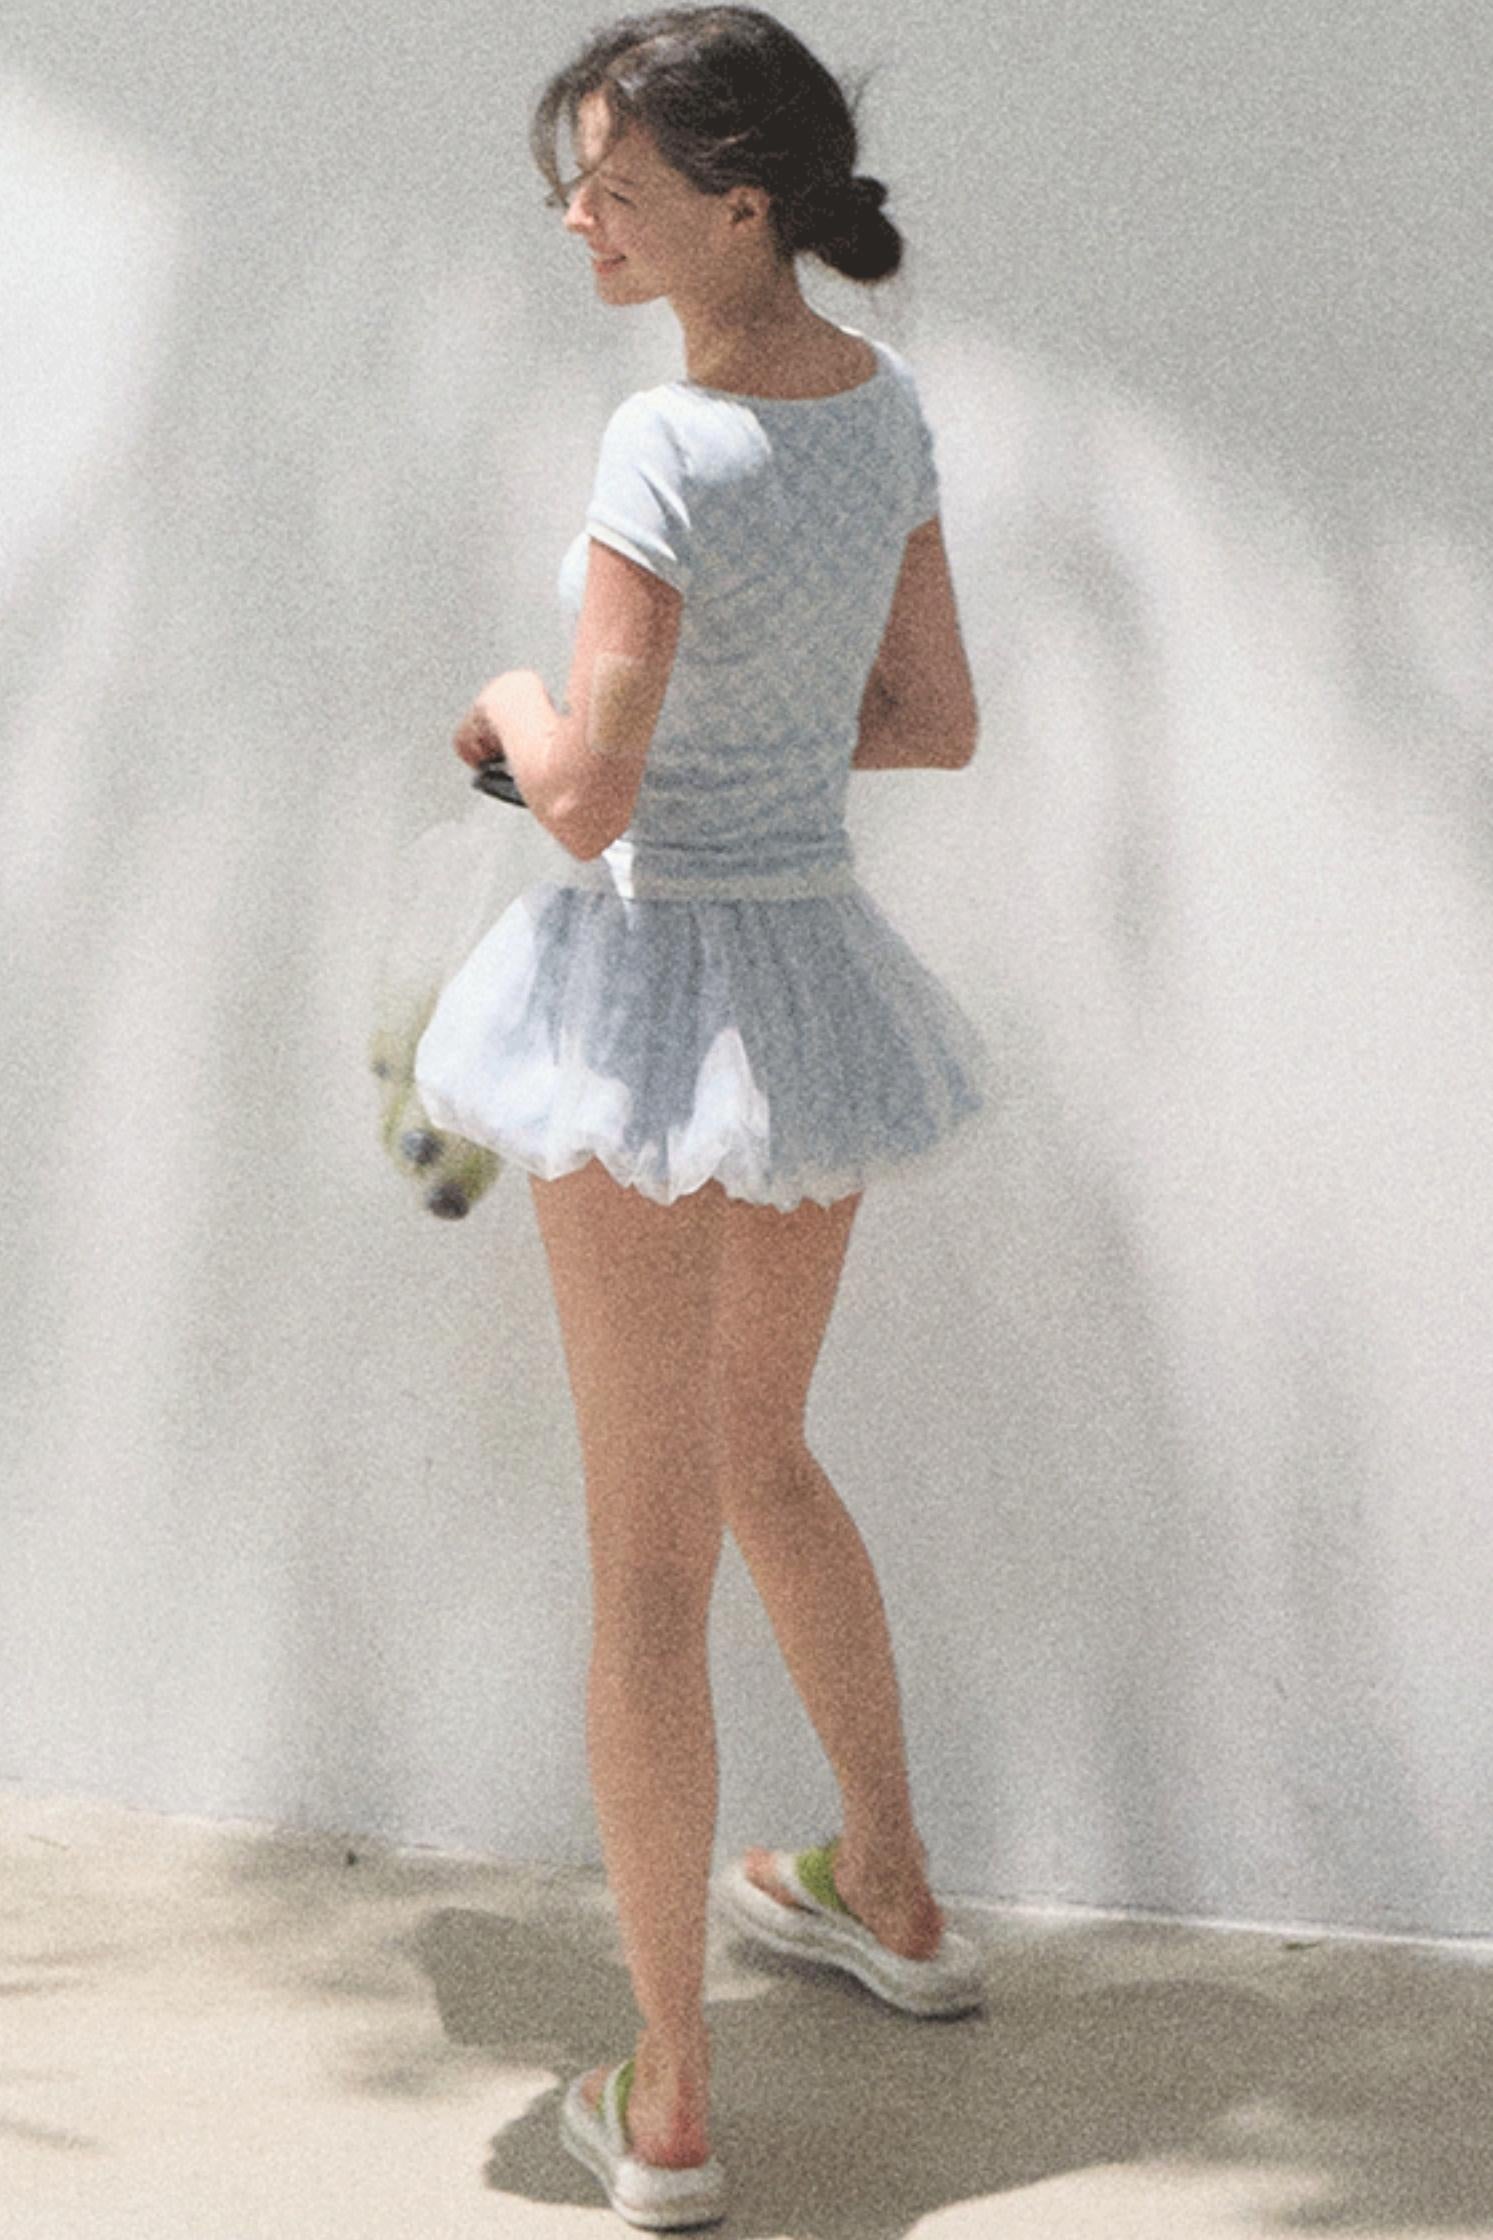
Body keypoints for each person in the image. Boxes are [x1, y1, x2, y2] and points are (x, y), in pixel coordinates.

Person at [413, 6, 988, 2225]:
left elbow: (583, 799)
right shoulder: (884, 406)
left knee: (646, 1561)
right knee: (766, 1458)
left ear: (741, 208)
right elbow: (931, 717)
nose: (582, 217)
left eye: (618, 187)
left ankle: (666, 2101)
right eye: (576, 181)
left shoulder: (663, 442)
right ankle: (895, 1892)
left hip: (648, 1002)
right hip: (811, 986)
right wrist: (750, 733)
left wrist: (502, 699)